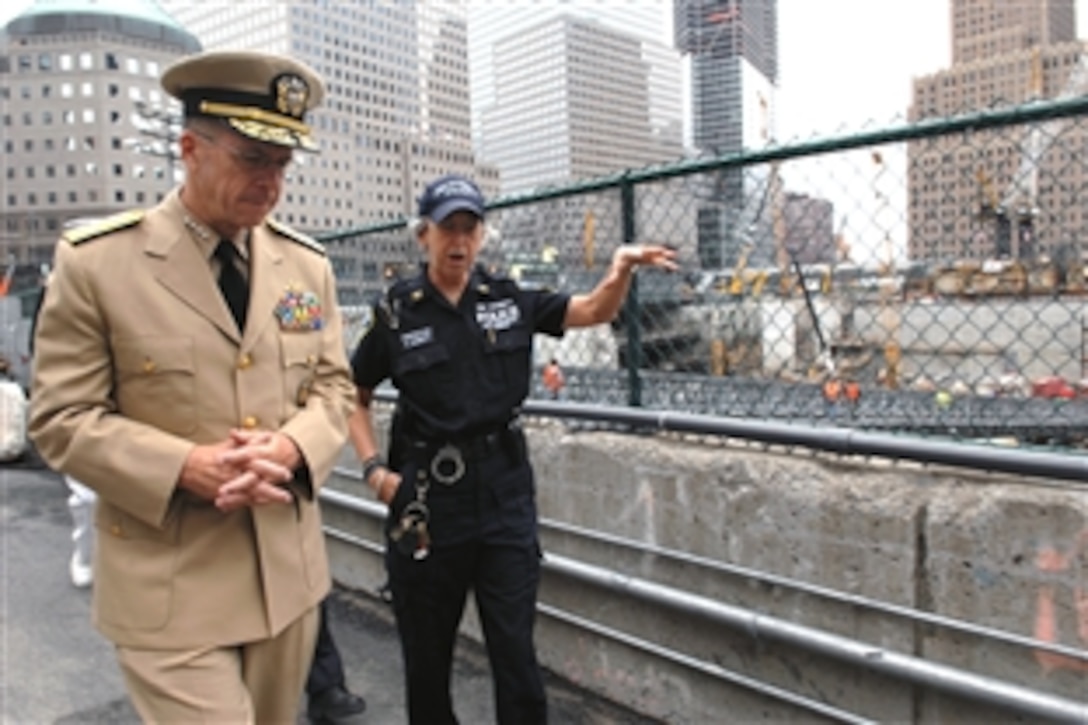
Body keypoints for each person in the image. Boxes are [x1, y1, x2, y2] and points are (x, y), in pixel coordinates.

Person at [28, 50, 357, 724]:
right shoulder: (99, 264)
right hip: (167, 580)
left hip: (283, 577)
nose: (270, 182)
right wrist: (186, 465)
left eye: (282, 164)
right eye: (251, 158)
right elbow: (61, 416)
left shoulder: (305, 265)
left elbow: (332, 387)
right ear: (190, 149)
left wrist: (293, 449)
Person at [347, 173, 678, 724]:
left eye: (469, 229)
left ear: (481, 236)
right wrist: (375, 472)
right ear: (422, 235)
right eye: (446, 228)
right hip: (428, 499)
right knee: (427, 660)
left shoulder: (508, 298)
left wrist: (619, 270)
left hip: (503, 495)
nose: (459, 241)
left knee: (516, 657)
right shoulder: (398, 312)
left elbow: (594, 311)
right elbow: (351, 395)